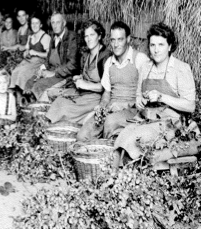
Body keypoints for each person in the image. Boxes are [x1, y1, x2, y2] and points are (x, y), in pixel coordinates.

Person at [113, 23, 198, 167]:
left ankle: (125, 173)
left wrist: (161, 97)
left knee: (135, 137)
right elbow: (139, 94)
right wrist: (139, 100)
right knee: (123, 133)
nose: (156, 50)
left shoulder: (181, 69)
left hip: (173, 124)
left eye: (161, 45)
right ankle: (117, 172)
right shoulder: (146, 67)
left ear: (170, 46)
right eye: (152, 45)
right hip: (147, 119)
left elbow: (190, 106)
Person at [76, 21, 149, 141]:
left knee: (110, 123)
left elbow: (146, 94)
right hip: (111, 109)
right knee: (82, 136)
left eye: (120, 39)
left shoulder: (140, 59)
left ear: (128, 39)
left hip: (133, 111)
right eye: (113, 40)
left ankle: (108, 151)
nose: (115, 44)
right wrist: (102, 106)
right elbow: (106, 93)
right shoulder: (109, 62)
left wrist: (125, 105)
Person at [45, 20, 112, 124]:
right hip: (84, 93)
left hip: (96, 97)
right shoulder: (86, 55)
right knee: (59, 101)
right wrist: (80, 77)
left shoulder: (105, 56)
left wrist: (86, 85)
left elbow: (107, 88)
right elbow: (87, 74)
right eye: (86, 36)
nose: (88, 39)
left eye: (92, 35)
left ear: (99, 36)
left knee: (65, 109)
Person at [24, 12, 79, 102]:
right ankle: (33, 109)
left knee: (39, 86)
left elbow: (72, 65)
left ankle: (43, 110)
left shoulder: (71, 38)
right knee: (30, 81)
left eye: (58, 22)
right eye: (53, 23)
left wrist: (54, 73)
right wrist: (42, 69)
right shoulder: (54, 37)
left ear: (64, 23)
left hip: (65, 76)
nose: (55, 25)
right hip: (52, 71)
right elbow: (49, 59)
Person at [9, 13, 51, 105]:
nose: (34, 26)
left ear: (41, 25)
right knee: (15, 71)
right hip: (29, 61)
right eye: (32, 23)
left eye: (37, 23)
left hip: (39, 63)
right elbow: (27, 49)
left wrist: (35, 53)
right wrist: (26, 53)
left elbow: (49, 55)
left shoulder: (45, 37)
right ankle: (20, 98)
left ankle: (28, 98)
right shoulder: (31, 36)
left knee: (23, 72)